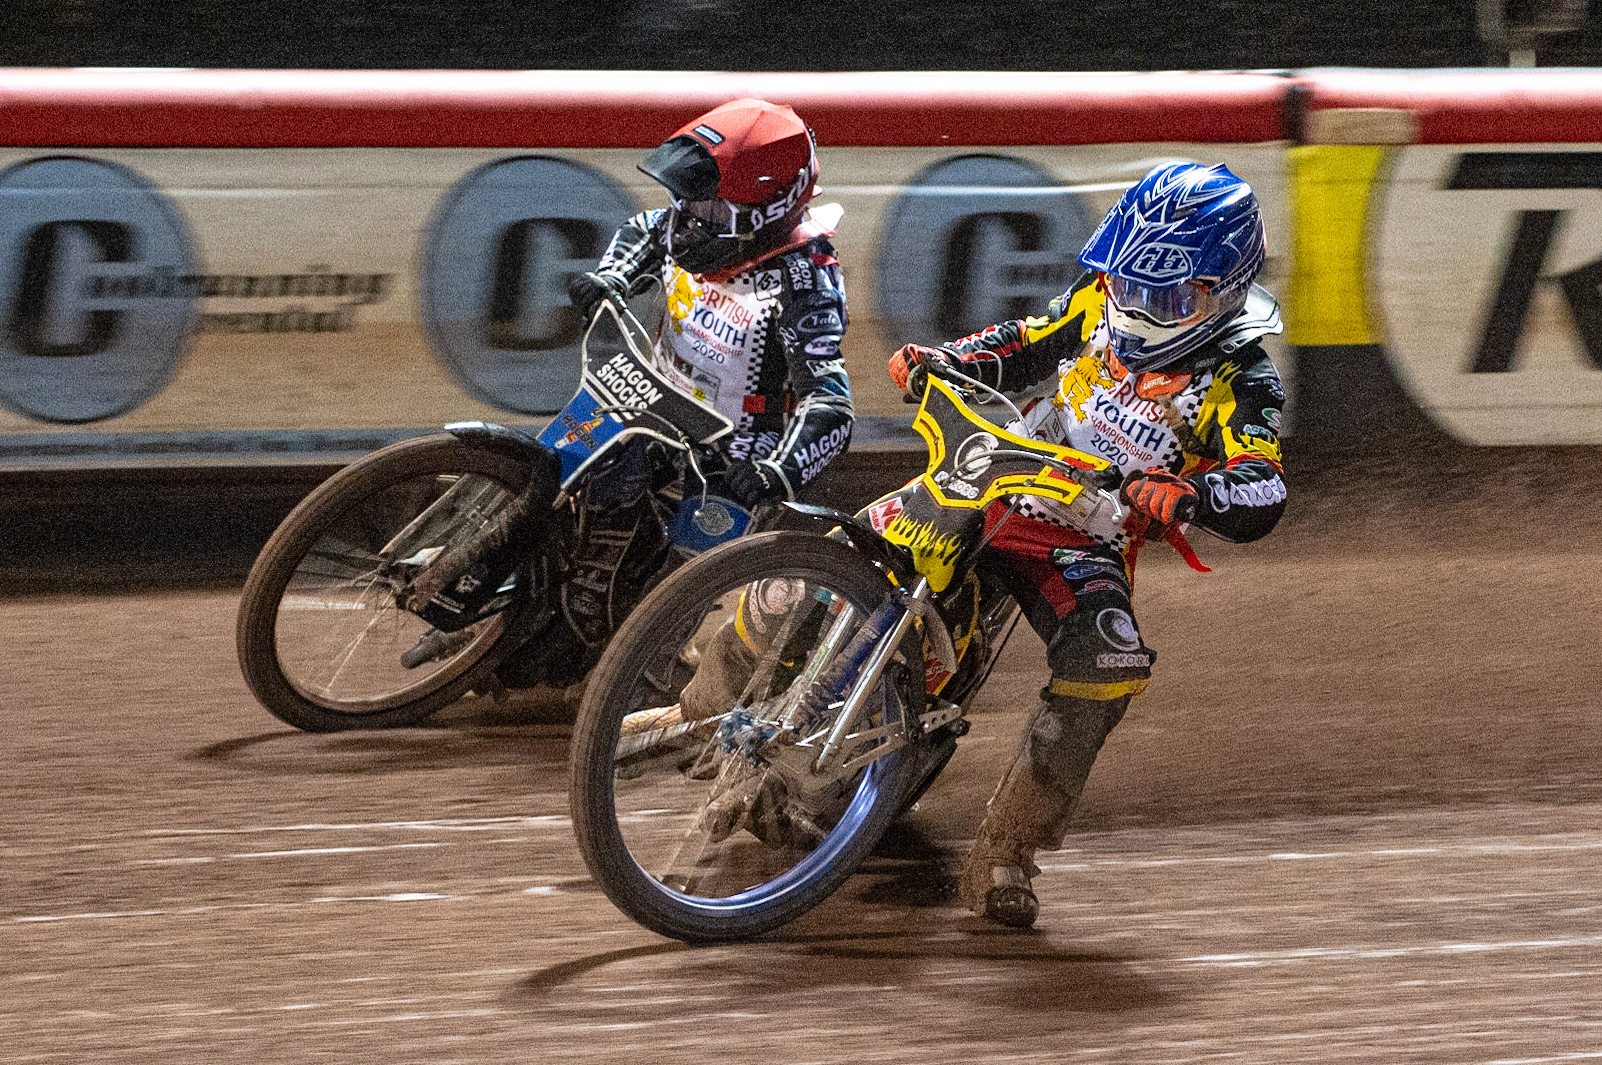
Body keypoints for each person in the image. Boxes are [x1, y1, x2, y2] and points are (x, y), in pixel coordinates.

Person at [884, 161, 1288, 928]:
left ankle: (1008, 845)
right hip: (992, 480)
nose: (1135, 307)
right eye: (1126, 283)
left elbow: (1264, 482)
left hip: (1083, 536)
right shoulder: (1097, 302)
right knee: (849, 552)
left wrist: (1195, 495)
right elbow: (1027, 341)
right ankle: (696, 700)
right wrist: (948, 359)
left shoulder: (1243, 376)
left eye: (1161, 296)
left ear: (1222, 291)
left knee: (1108, 657)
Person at [566, 97, 854, 513]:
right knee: (574, 491)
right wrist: (612, 277)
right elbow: (642, 227)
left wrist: (779, 473)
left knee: (690, 566)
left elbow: (831, 405)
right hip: (655, 410)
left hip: (739, 454)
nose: (683, 225)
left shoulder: (804, 281)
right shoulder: (681, 228)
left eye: (709, 209)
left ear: (765, 213)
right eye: (684, 200)